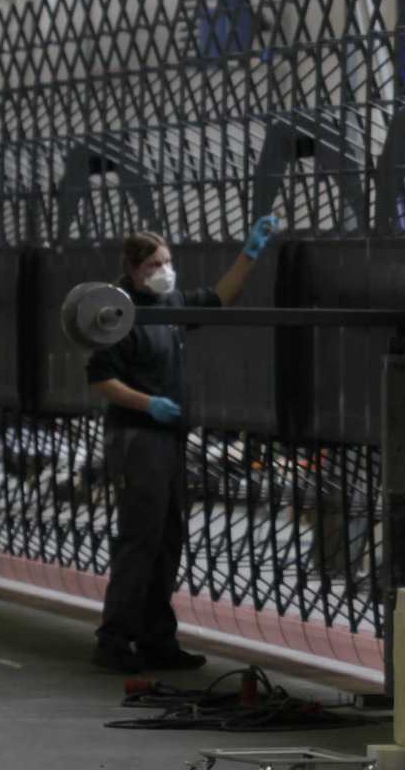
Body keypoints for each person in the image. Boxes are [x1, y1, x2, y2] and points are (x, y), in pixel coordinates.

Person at [85, 215, 279, 672]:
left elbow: (216, 299)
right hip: (138, 438)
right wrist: (148, 404)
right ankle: (114, 639)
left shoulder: (168, 303)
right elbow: (101, 378)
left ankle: (157, 639)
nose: (164, 270)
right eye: (154, 263)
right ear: (134, 270)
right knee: (140, 539)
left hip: (168, 438)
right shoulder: (119, 312)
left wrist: (247, 256)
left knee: (168, 537)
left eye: (167, 261)